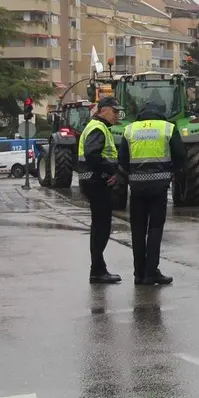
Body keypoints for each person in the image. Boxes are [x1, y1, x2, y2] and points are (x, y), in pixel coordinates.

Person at [118, 95, 185, 285]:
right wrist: (173, 173)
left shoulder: (130, 129)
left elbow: (122, 160)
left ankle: (138, 274)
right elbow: (180, 155)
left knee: (137, 230)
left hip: (137, 187)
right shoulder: (168, 128)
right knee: (155, 229)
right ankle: (151, 273)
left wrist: (131, 175)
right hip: (159, 186)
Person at [77, 96, 124, 284]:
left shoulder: (97, 127)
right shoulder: (98, 128)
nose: (117, 115)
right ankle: (97, 270)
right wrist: (110, 171)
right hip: (97, 183)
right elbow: (92, 154)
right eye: (115, 111)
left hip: (91, 181)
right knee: (101, 228)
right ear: (103, 110)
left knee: (99, 227)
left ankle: (98, 268)